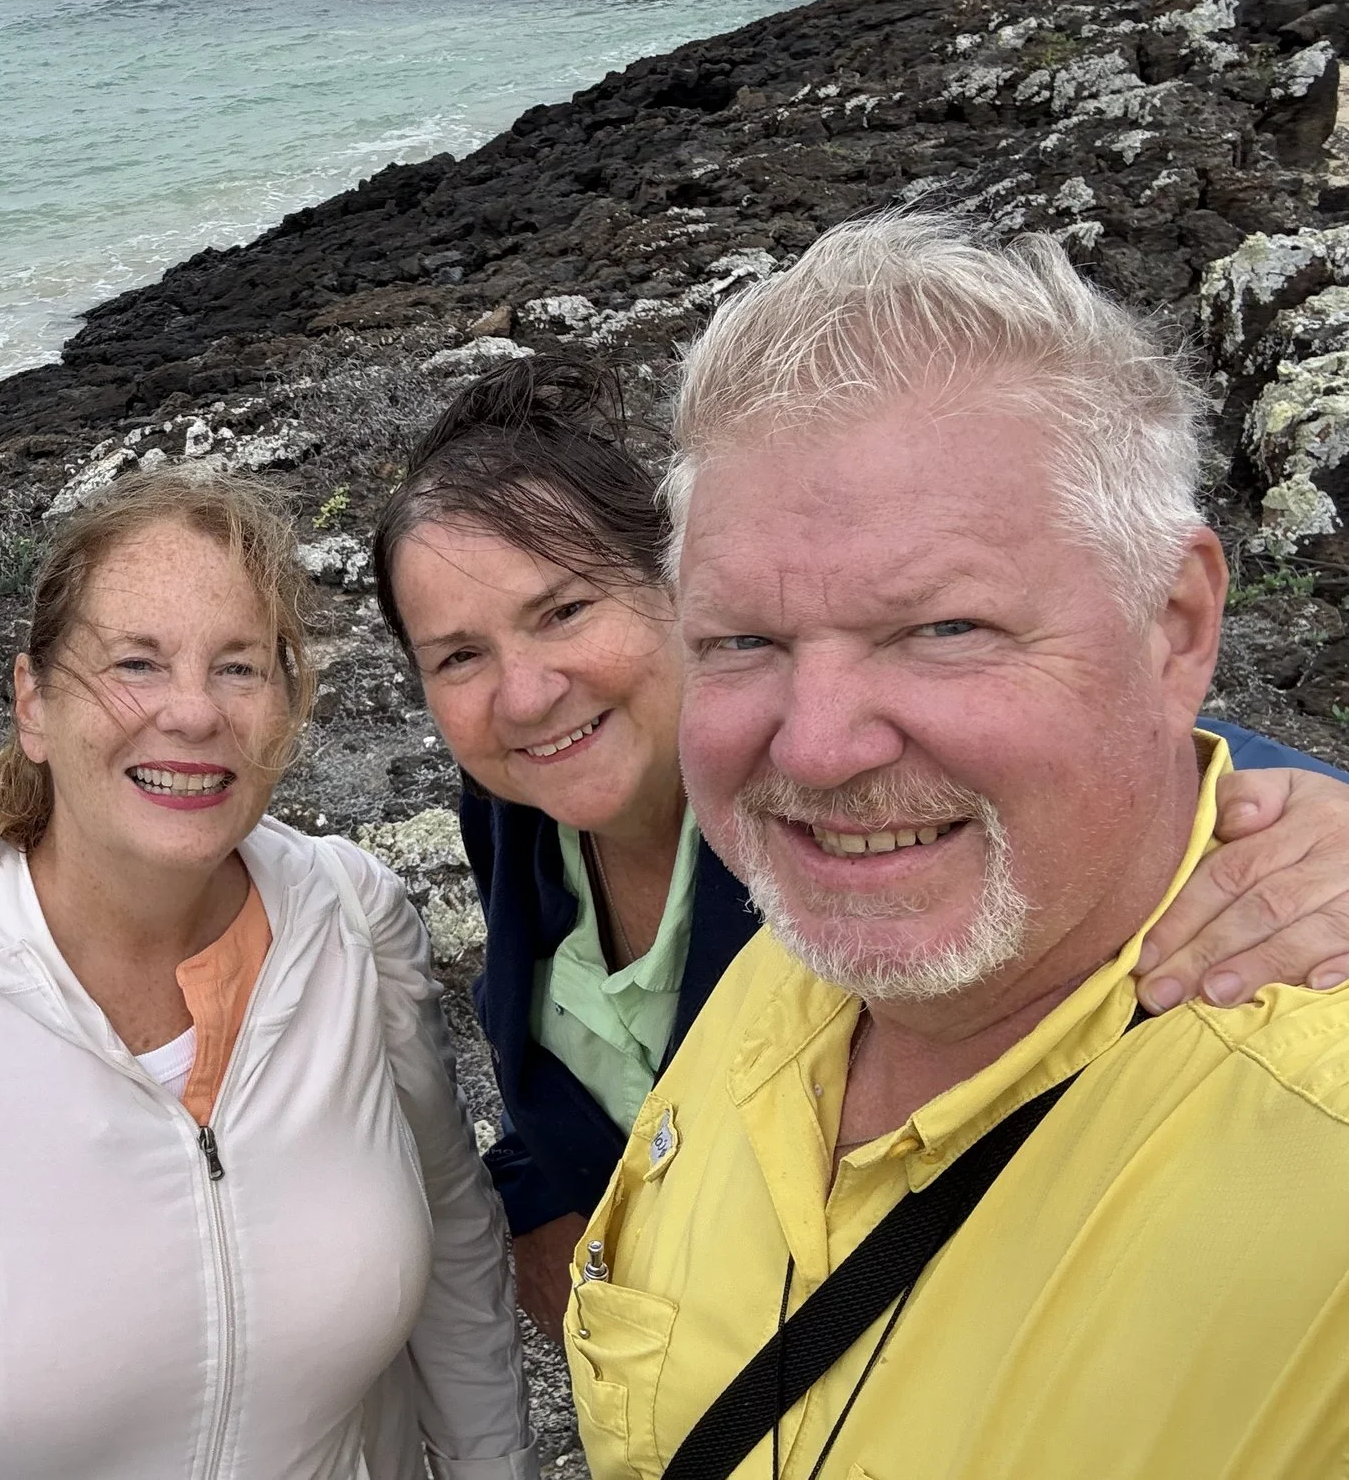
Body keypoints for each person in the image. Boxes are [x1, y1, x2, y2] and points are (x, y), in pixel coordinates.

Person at [567, 212, 1349, 1477]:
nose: (815, 753)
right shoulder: (797, 954)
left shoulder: (1319, 1173)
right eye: (741, 643)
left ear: (1174, 626)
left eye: (941, 628)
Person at [373, 357, 1349, 1334]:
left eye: (564, 612)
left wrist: (1329, 817)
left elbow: (1106, 752)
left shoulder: (824, 801)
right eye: (459, 655)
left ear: (683, 595)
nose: (524, 692)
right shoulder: (515, 808)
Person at [0, 470, 536, 1480]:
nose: (191, 712)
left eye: (239, 669)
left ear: (285, 707)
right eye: (136, 662)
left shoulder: (353, 928)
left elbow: (457, 1267)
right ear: (33, 703)